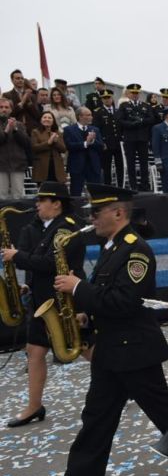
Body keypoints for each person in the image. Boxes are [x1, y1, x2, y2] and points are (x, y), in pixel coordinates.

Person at [41, 183, 168, 476]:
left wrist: (78, 288)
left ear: (118, 212)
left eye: (96, 213)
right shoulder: (111, 247)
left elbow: (125, 302)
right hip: (112, 347)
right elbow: (107, 300)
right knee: (96, 416)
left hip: (135, 347)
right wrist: (87, 318)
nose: (91, 219)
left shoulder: (135, 250)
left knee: (160, 406)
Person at [3, 182, 86, 428]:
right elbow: (33, 263)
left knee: (86, 348)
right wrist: (26, 282)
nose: (37, 204)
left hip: (63, 300)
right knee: (34, 351)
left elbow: (49, 263)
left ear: (57, 203)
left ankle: (127, 383)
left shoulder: (66, 229)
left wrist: (17, 256)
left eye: (42, 200)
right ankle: (34, 405)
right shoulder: (38, 227)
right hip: (43, 300)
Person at [116, 84, 155, 191]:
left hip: (143, 138)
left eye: (136, 93)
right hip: (130, 138)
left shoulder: (145, 106)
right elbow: (120, 120)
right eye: (132, 93)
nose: (134, 95)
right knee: (131, 163)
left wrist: (142, 121)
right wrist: (132, 124)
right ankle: (133, 186)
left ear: (139, 94)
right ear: (128, 94)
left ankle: (145, 185)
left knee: (144, 162)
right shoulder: (124, 106)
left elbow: (151, 119)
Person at [63, 107, 104, 196]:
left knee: (97, 192)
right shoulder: (69, 130)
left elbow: (101, 146)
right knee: (76, 192)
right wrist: (85, 143)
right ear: (80, 116)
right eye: (88, 115)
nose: (91, 117)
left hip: (93, 165)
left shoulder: (95, 129)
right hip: (77, 166)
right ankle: (75, 209)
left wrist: (92, 141)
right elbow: (69, 146)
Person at [0, 97, 30, 198]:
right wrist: (7, 129)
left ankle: (17, 214)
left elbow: (26, 143)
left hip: (17, 165)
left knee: (17, 195)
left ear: (11, 109)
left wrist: (16, 129)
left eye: (6, 107)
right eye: (1, 107)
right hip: (1, 166)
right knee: (1, 196)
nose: (4, 109)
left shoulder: (19, 125)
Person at [92, 89, 123, 186]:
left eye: (108, 97)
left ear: (112, 98)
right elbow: (97, 129)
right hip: (106, 144)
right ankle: (108, 187)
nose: (107, 100)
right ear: (101, 99)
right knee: (107, 167)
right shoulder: (98, 112)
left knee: (120, 166)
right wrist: (102, 142)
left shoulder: (118, 111)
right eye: (104, 98)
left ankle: (121, 186)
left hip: (118, 143)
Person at [30, 112, 67, 184]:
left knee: (57, 192)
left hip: (56, 167)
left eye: (49, 118)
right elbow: (34, 147)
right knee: (44, 193)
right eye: (44, 117)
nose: (47, 119)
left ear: (53, 121)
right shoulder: (35, 132)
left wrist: (56, 142)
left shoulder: (58, 133)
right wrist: (48, 143)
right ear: (41, 120)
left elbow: (63, 149)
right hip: (41, 167)